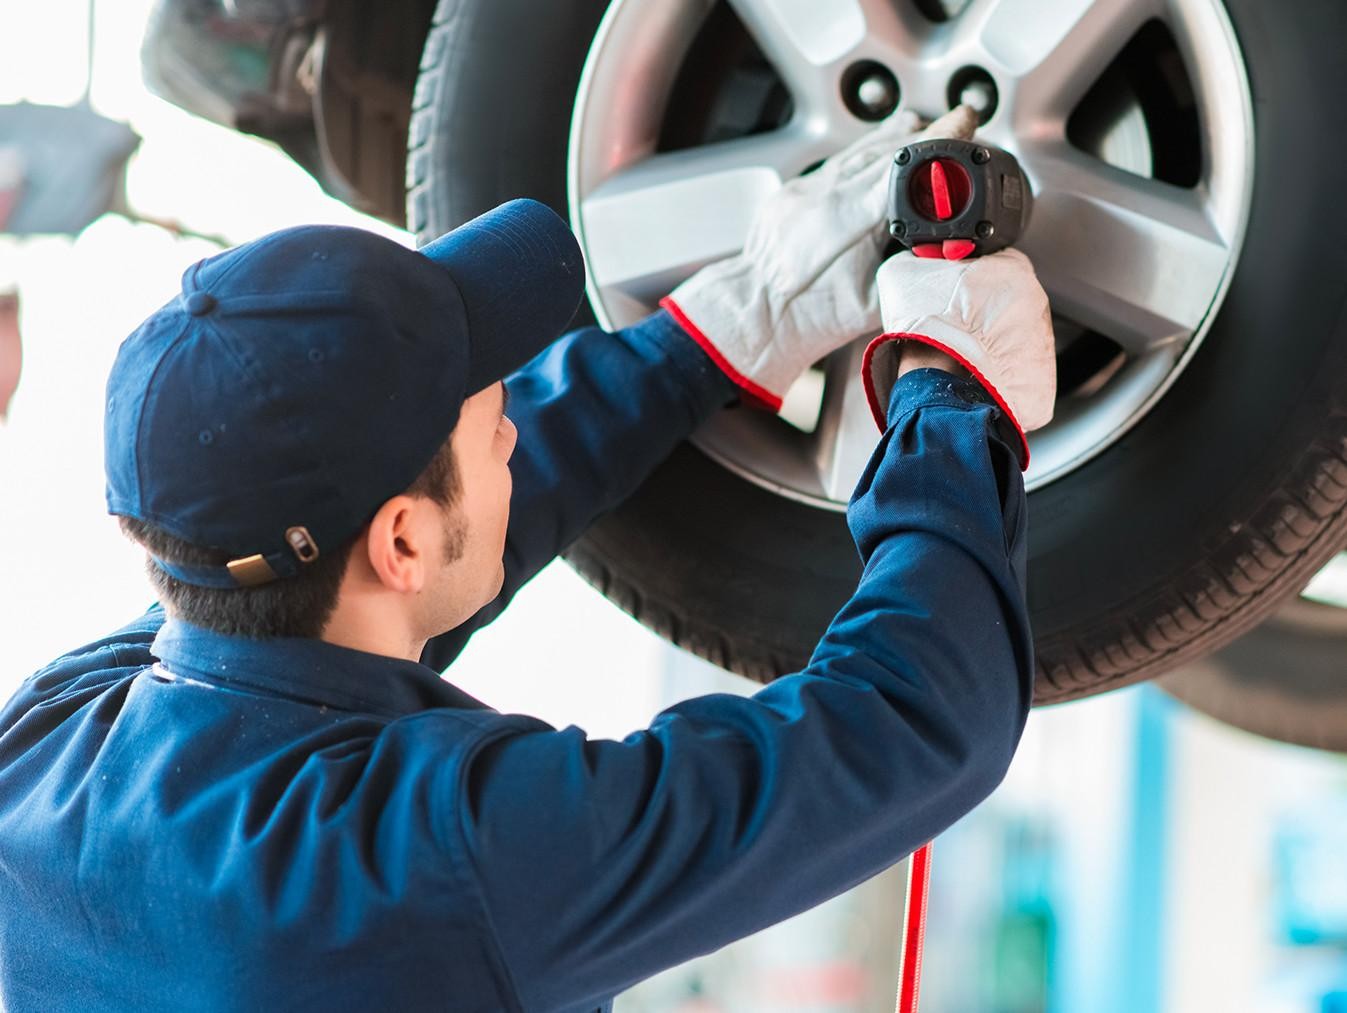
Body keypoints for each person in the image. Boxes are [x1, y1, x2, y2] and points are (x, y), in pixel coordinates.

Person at [0, 106, 1054, 1012]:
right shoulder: (444, 860)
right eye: (490, 409)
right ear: (401, 540)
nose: (513, 423)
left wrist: (714, 337)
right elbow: (914, 723)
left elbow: (357, 587)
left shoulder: (45, 748)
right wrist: (951, 398)